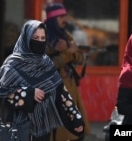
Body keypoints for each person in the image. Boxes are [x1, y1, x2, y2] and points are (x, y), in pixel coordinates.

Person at [0, 20, 84, 141]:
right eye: (35, 37)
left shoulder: (45, 62)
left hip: (42, 127)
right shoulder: (13, 63)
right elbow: (3, 91)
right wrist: (29, 94)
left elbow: (61, 91)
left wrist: (75, 118)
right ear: (26, 37)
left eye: (43, 38)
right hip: (18, 127)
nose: (40, 41)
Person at [44, 3, 91, 141]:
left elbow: (80, 59)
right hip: (54, 91)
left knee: (75, 132)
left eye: (65, 15)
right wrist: (66, 54)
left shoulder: (66, 36)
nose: (65, 19)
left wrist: (73, 52)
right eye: (61, 16)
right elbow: (46, 67)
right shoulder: (44, 39)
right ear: (53, 19)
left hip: (70, 90)